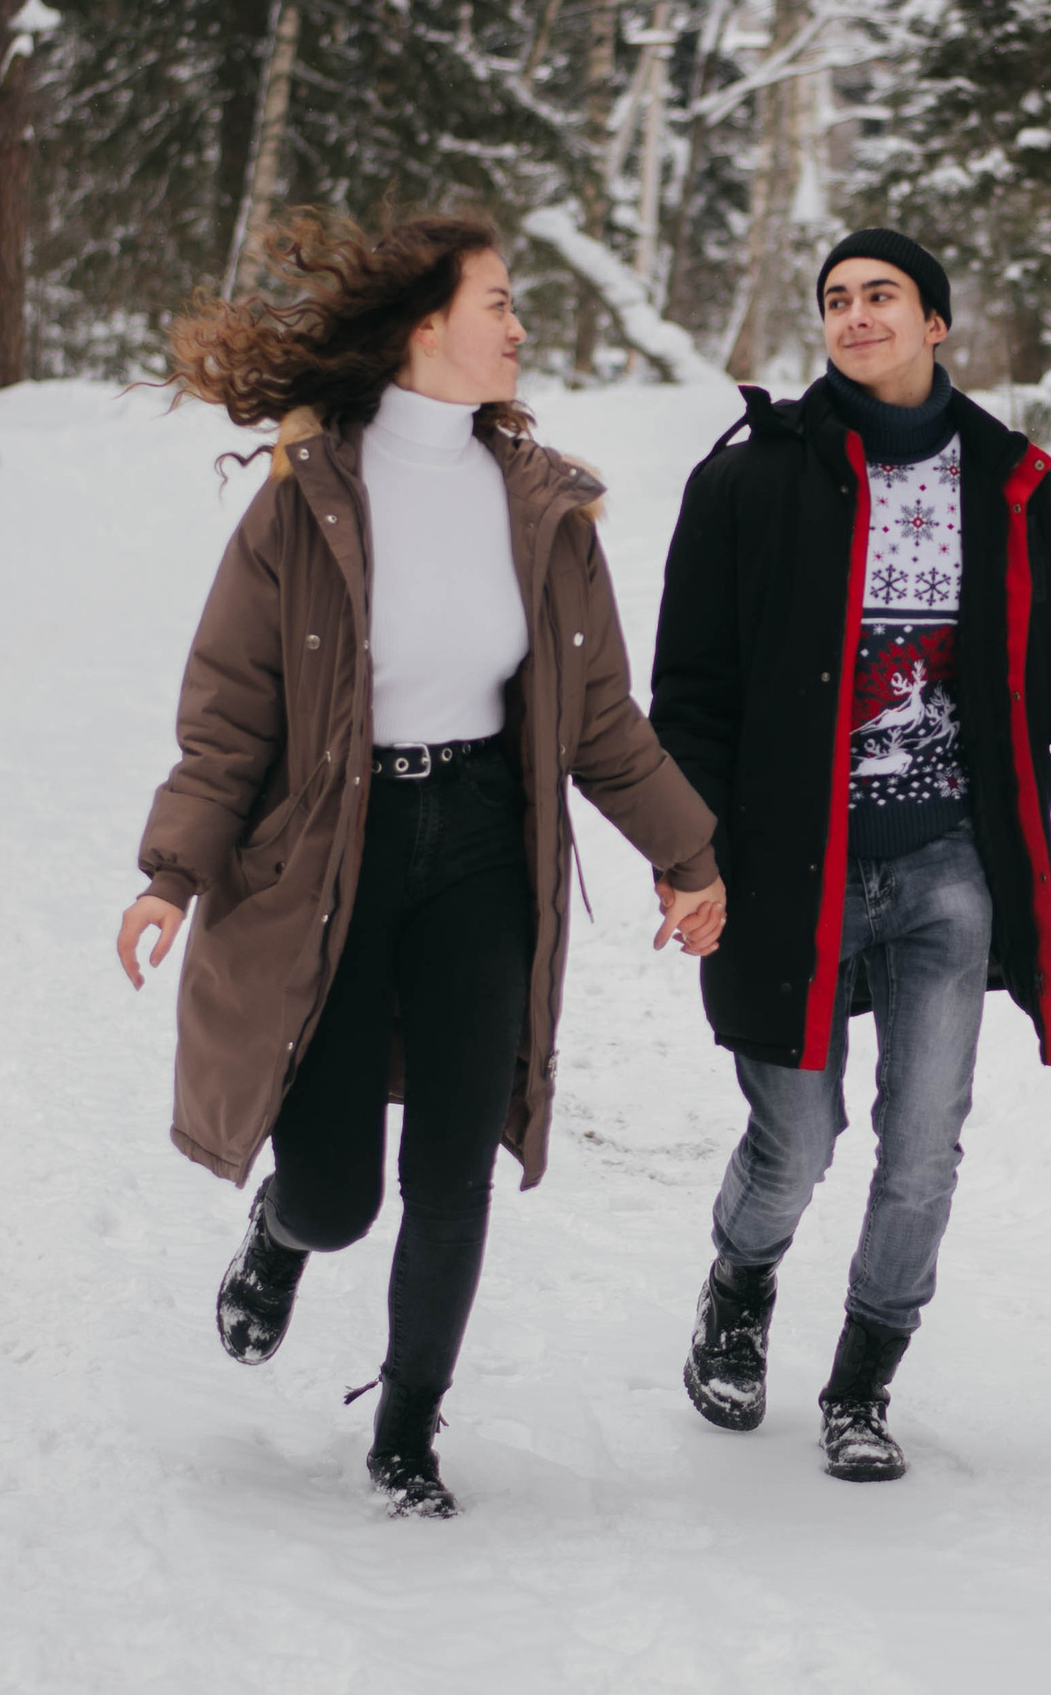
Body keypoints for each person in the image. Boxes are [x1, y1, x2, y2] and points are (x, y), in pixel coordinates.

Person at [117, 212, 723, 1517]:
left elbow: (602, 718)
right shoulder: (307, 499)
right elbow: (233, 713)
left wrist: (687, 854)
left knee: (455, 1168)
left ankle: (406, 1436)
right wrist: (173, 871)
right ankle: (281, 1235)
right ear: (423, 330)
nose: (519, 326)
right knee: (340, 1193)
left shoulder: (546, 506)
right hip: (334, 855)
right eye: (498, 303)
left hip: (481, 856)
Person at [650, 229, 1051, 1482]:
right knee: (795, 1140)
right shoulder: (751, 480)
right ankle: (738, 1293)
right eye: (837, 300)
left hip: (946, 866)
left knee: (922, 1145)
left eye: (882, 297)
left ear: (936, 324)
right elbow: (686, 695)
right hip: (788, 867)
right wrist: (687, 852)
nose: (856, 316)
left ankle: (861, 1382)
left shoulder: (1015, 488)